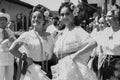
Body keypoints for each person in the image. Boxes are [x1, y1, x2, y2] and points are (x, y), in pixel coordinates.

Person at [51, 1, 98, 80]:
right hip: (63, 67)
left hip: (75, 69)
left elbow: (93, 43)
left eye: (67, 14)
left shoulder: (77, 30)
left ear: (73, 14)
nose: (64, 17)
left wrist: (74, 55)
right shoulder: (63, 32)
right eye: (62, 15)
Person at [9, 4, 54, 80]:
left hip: (48, 69)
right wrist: (25, 59)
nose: (36, 19)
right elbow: (12, 49)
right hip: (34, 70)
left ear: (44, 20)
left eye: (39, 17)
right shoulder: (27, 35)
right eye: (34, 17)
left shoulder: (49, 35)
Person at [98, 9, 120, 80]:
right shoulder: (106, 31)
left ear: (117, 17)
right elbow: (101, 48)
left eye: (110, 16)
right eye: (106, 16)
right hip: (106, 63)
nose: (107, 19)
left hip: (118, 64)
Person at [0, 12, 16, 80]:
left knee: (9, 77)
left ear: (7, 21)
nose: (2, 21)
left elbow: (15, 42)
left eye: (4, 19)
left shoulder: (10, 31)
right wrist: (8, 41)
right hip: (0, 59)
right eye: (0, 19)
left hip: (10, 58)